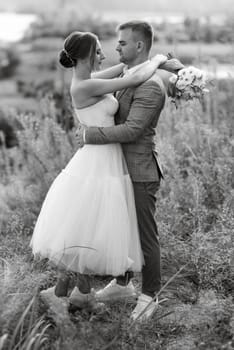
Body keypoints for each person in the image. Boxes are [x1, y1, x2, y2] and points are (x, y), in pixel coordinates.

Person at [29, 30, 168, 311]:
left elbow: (128, 68)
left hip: (107, 159)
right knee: (88, 227)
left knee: (93, 224)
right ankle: (76, 292)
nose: (105, 55)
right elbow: (134, 78)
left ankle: (75, 290)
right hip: (97, 161)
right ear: (87, 55)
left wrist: (158, 62)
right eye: (99, 51)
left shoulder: (90, 79)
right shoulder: (84, 86)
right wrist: (161, 59)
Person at [75, 20, 184, 321]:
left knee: (146, 237)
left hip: (140, 171)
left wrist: (88, 135)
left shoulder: (149, 86)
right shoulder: (128, 75)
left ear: (139, 46)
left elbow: (133, 129)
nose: (116, 47)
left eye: (122, 42)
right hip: (119, 169)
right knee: (122, 231)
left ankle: (150, 297)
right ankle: (123, 285)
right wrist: (163, 60)